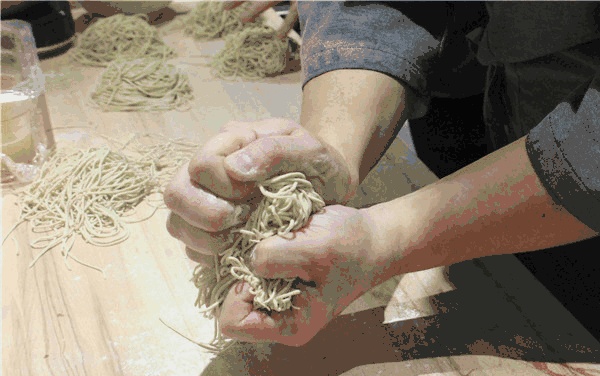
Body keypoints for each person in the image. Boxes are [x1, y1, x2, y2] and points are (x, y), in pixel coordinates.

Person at [164, 2, 600, 346]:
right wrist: (331, 152)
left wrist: (384, 238)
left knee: (564, 305)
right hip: (489, 85)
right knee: (513, 290)